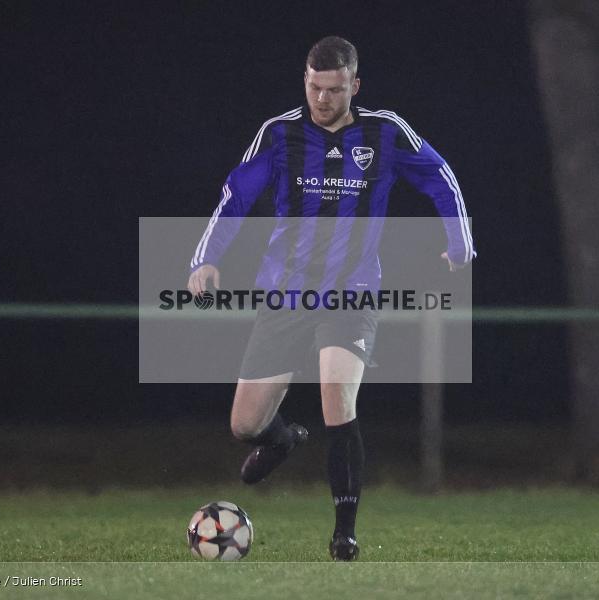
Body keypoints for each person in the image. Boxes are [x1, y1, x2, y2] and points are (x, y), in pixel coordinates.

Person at [188, 36, 475, 561]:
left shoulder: (385, 132)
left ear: (354, 86)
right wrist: (205, 259)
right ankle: (280, 440)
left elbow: (441, 178)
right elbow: (235, 196)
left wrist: (460, 241)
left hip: (352, 292)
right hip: (285, 294)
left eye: (334, 89)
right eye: (315, 87)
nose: (322, 98)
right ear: (305, 81)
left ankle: (344, 532)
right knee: (244, 425)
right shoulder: (279, 134)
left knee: (337, 401)